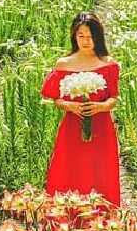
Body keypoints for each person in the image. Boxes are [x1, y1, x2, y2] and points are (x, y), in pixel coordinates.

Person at [40, 12, 121, 208]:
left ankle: (100, 219)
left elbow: (113, 98)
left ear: (98, 37)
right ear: (74, 37)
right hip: (72, 127)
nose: (85, 41)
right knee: (70, 169)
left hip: (102, 127)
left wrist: (100, 107)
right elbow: (56, 98)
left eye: (90, 36)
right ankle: (67, 217)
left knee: (100, 170)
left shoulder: (108, 64)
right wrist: (70, 105)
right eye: (81, 36)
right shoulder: (64, 64)